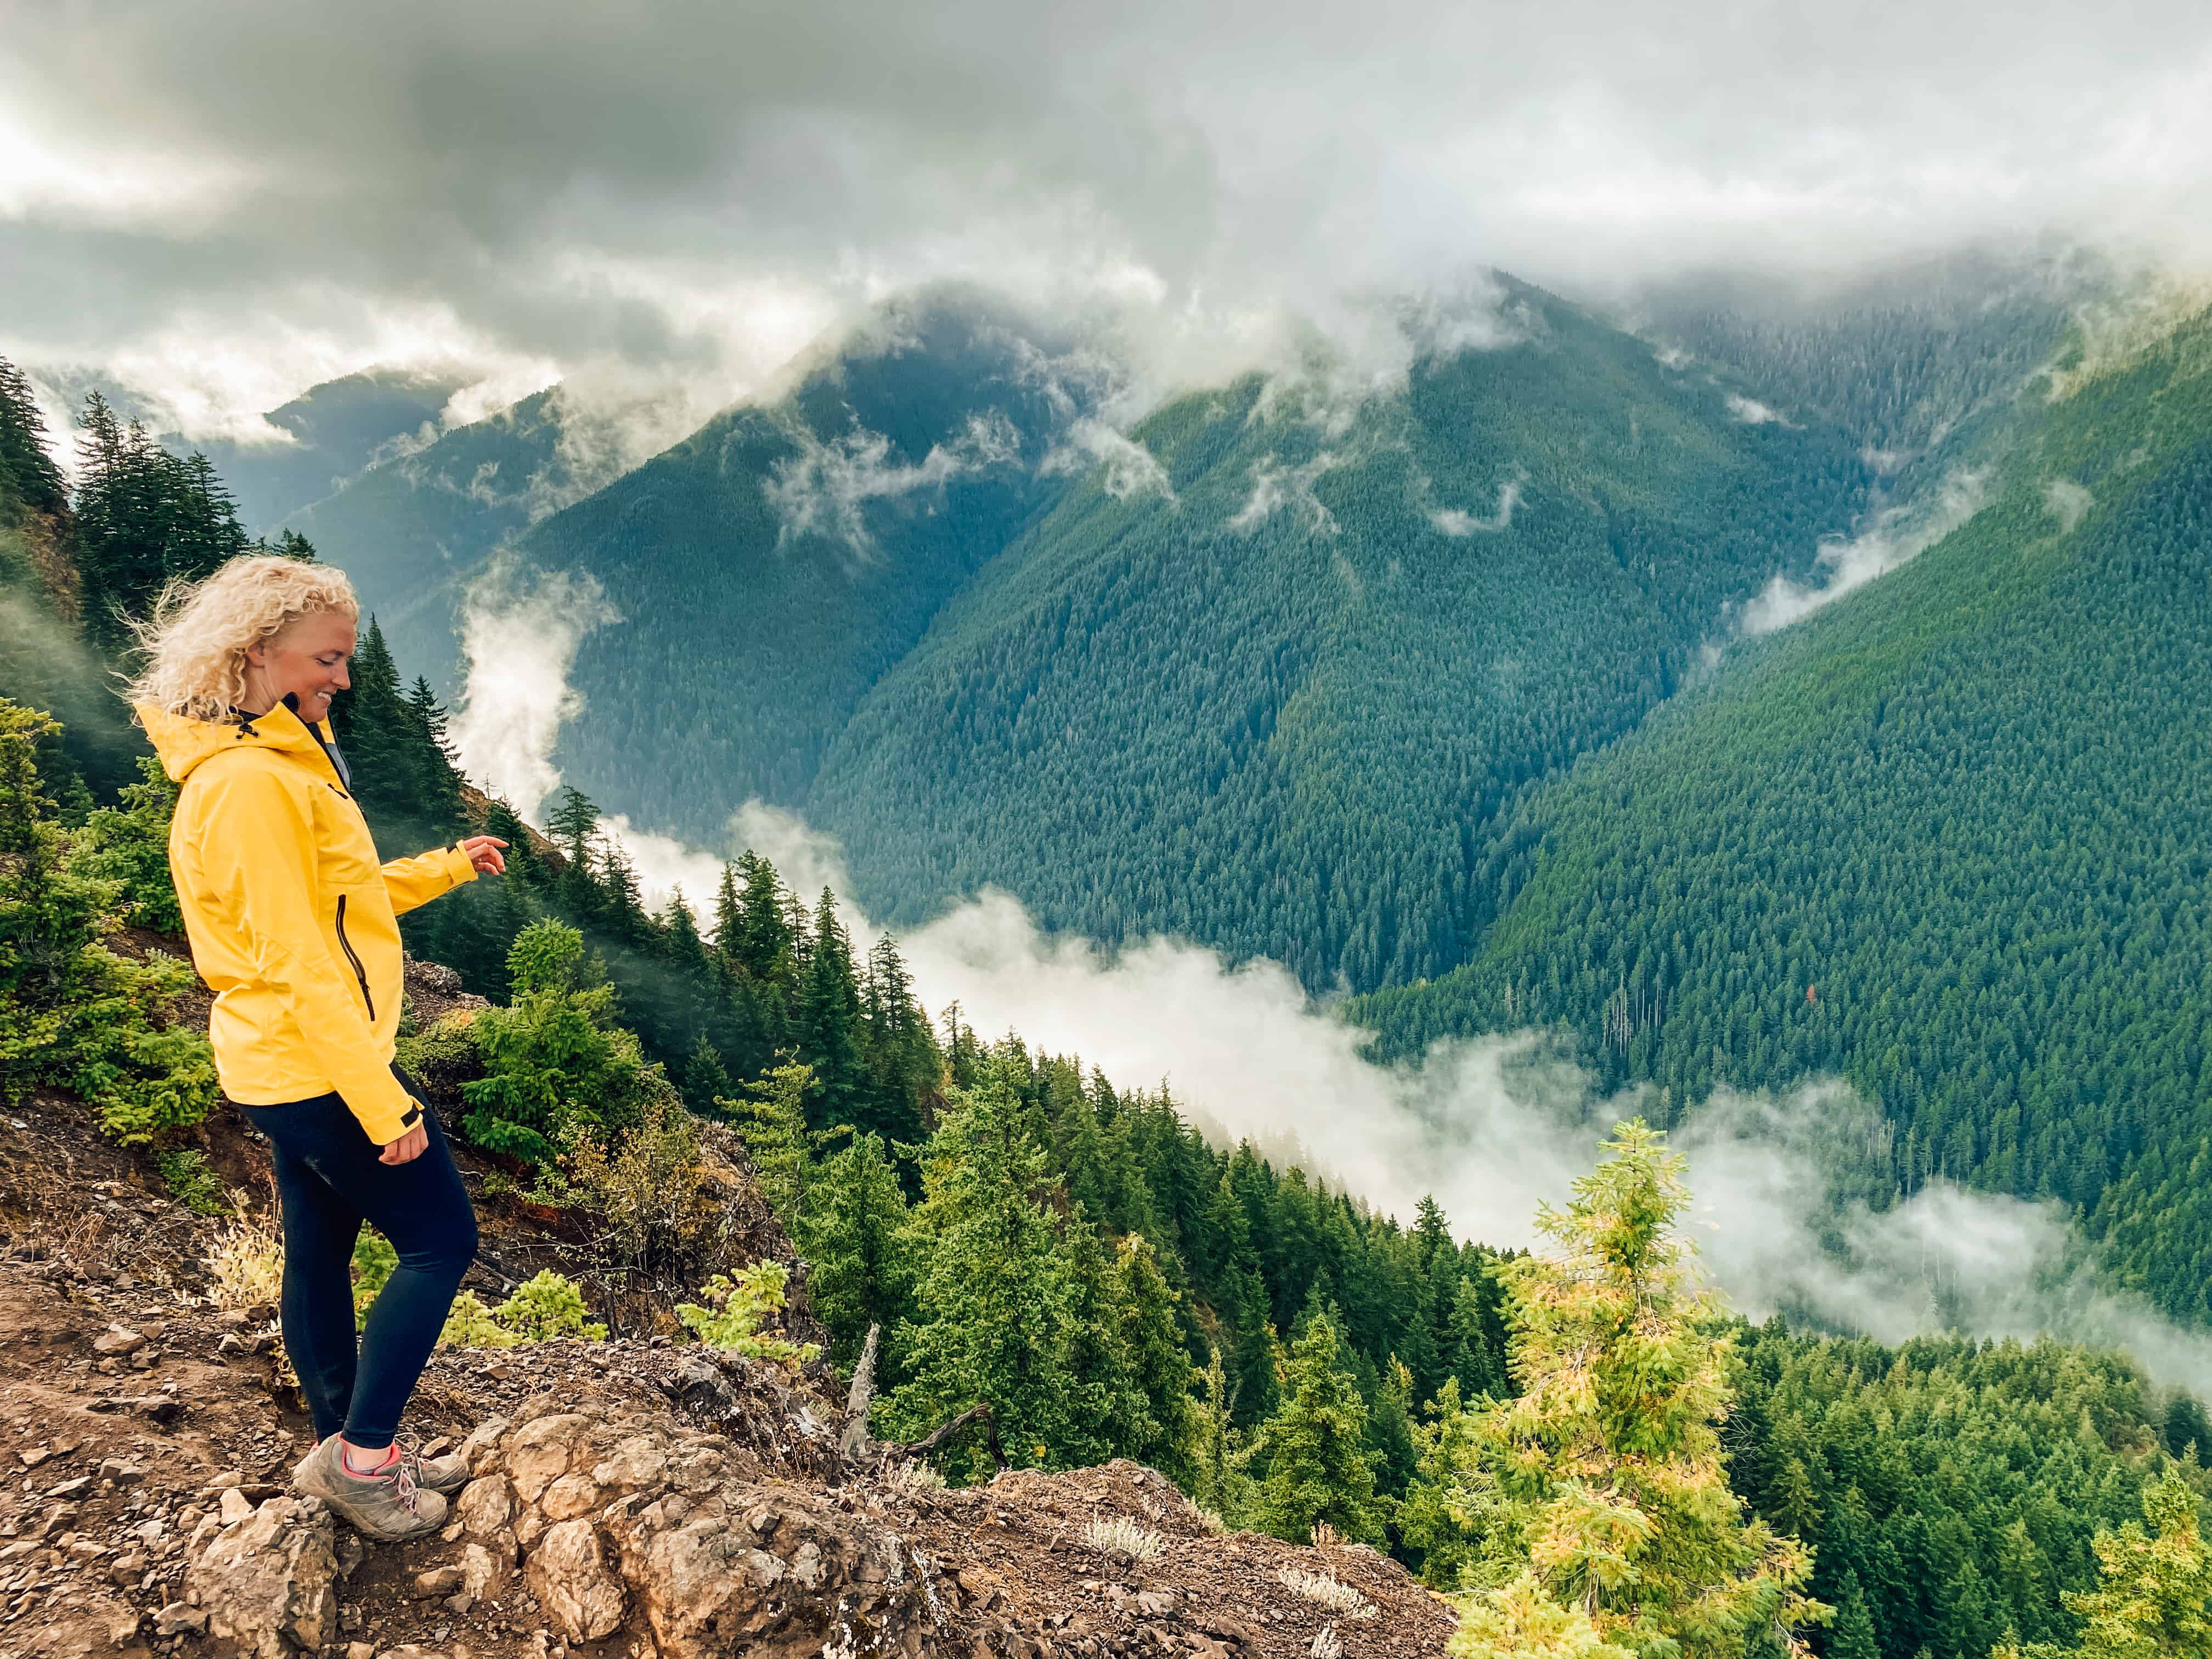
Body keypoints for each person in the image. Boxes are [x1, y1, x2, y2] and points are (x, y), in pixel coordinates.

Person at [129, 553, 507, 1540]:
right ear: (260, 656)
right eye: (327, 659)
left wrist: (447, 870)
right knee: (440, 1242)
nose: (344, 677)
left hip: (285, 1063)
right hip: (314, 1065)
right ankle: (365, 1458)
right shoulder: (252, 786)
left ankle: (345, 1440)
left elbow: (340, 900)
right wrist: (385, 1102)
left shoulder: (278, 759)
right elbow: (299, 959)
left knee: (322, 1247)